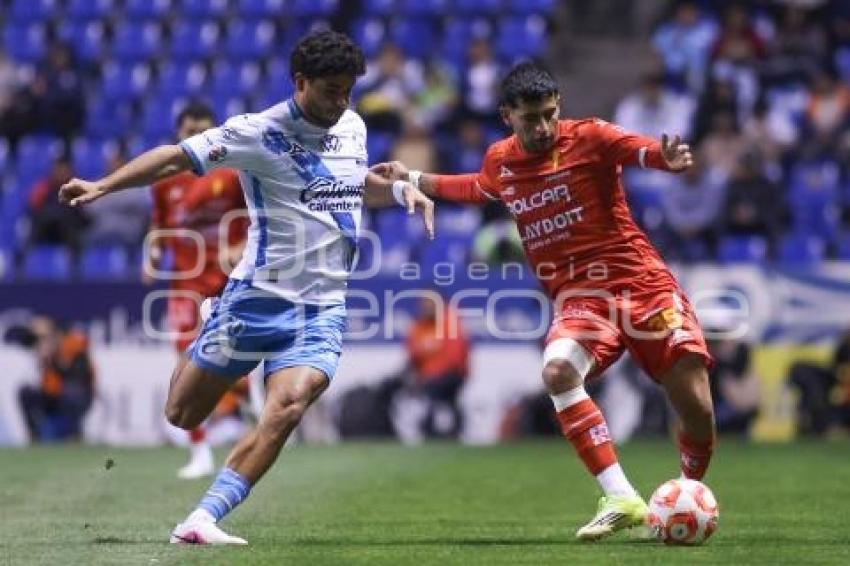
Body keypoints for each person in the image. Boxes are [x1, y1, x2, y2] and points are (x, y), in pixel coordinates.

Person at [59, 31, 434, 545]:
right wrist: (102, 186)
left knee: (289, 405)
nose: (340, 100)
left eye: (347, 89)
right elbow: (173, 157)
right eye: (330, 89)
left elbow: (348, 182)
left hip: (322, 305)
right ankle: (215, 316)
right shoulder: (256, 133)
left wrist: (397, 189)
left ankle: (202, 518)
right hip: (257, 298)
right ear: (301, 82)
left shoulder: (352, 125)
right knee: (182, 412)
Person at [373, 62, 715, 541]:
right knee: (558, 372)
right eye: (530, 118)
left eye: (550, 114)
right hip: (580, 299)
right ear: (507, 115)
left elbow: (639, 149)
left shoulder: (591, 136)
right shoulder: (502, 160)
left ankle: (688, 494)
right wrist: (412, 176)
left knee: (696, 407)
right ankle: (621, 497)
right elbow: (477, 187)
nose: (543, 127)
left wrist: (664, 157)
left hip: (641, 284)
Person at [147, 101, 248, 480]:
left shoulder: (235, 174)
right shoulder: (164, 179)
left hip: (229, 280)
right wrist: (154, 249)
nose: (196, 138)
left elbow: (260, 219)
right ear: (178, 134)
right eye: (189, 132)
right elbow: (159, 225)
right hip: (186, 285)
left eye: (203, 131)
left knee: (238, 362)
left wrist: (240, 245)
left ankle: (251, 405)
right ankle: (200, 451)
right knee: (187, 362)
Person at [17, 316, 95, 442]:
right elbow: (22, 341)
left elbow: (78, 377)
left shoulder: (73, 345)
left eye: (45, 337)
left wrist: (54, 360)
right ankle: (34, 435)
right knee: (25, 392)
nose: (42, 341)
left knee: (71, 392)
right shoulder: (41, 350)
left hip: (76, 395)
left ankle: (74, 433)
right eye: (40, 338)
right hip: (51, 395)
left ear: (56, 334)